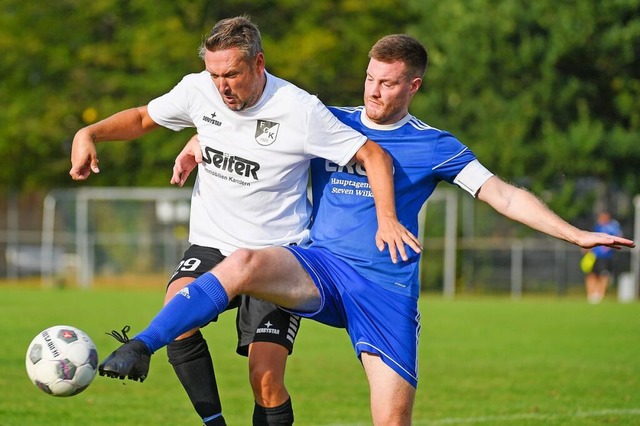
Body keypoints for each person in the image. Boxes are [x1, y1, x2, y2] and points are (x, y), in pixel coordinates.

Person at [97, 34, 635, 424]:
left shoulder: (435, 145)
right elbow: (253, 130)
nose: (375, 92)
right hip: (320, 266)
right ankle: (145, 342)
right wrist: (198, 142)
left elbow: (503, 194)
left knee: (391, 421)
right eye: (370, 79)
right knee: (243, 263)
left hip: (385, 289)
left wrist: (576, 234)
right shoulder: (332, 120)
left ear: (413, 85)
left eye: (389, 83)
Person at [70, 16, 417, 426]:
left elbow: (372, 154)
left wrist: (387, 218)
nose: (222, 86)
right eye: (214, 74)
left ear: (258, 64)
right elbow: (145, 118)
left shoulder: (300, 109)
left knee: (265, 379)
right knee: (177, 316)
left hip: (278, 256)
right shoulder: (198, 90)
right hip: (212, 243)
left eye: (232, 74)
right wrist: (90, 133)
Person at [583, 211, 623, 303]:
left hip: (605, 257)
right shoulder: (597, 226)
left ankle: (600, 295)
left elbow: (618, 236)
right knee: (591, 274)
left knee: (604, 275)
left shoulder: (613, 226)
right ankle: (591, 295)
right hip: (593, 256)